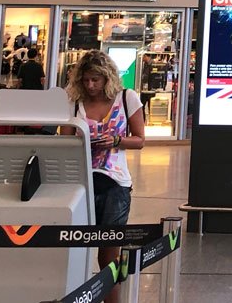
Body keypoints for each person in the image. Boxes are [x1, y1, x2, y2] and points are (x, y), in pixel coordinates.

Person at [65, 50, 146, 303]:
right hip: (80, 183)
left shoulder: (126, 98)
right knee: (73, 249)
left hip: (115, 184)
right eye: (86, 80)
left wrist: (116, 140)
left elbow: (140, 140)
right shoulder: (74, 103)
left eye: (96, 80)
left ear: (107, 78)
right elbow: (64, 141)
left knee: (108, 253)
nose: (90, 85)